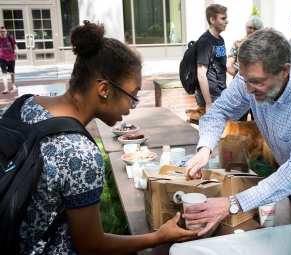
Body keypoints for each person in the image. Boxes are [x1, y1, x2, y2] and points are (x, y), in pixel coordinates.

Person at [0, 21, 200, 254]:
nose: (132, 106)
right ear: (104, 89)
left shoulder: (21, 104)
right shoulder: (80, 154)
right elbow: (91, 246)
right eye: (132, 95)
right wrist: (157, 237)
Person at [183, 27, 291, 237]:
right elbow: (219, 111)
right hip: (289, 179)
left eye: (257, 82)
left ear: (284, 70)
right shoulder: (251, 76)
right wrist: (204, 149)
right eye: (245, 79)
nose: (248, 90)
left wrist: (233, 204)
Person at [227, 16, 263, 121]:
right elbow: (229, 65)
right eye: (249, 27)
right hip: (241, 85)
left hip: (258, 88)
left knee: (258, 121)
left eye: (255, 28)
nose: (251, 30)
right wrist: (241, 76)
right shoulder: (237, 44)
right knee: (238, 119)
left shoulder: (265, 47)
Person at [195, 4, 228, 114]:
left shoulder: (220, 39)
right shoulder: (205, 42)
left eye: (226, 18)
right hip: (210, 97)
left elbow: (222, 67)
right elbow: (201, 73)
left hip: (220, 93)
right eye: (223, 18)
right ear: (212, 20)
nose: (227, 21)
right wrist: (208, 103)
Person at [0, 26, 18, 94]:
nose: (2, 33)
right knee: (4, 73)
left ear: (6, 32)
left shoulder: (10, 38)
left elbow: (15, 45)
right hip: (2, 58)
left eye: (3, 31)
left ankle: (13, 85)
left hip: (11, 57)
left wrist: (16, 50)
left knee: (12, 72)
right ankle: (6, 88)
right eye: (1, 31)